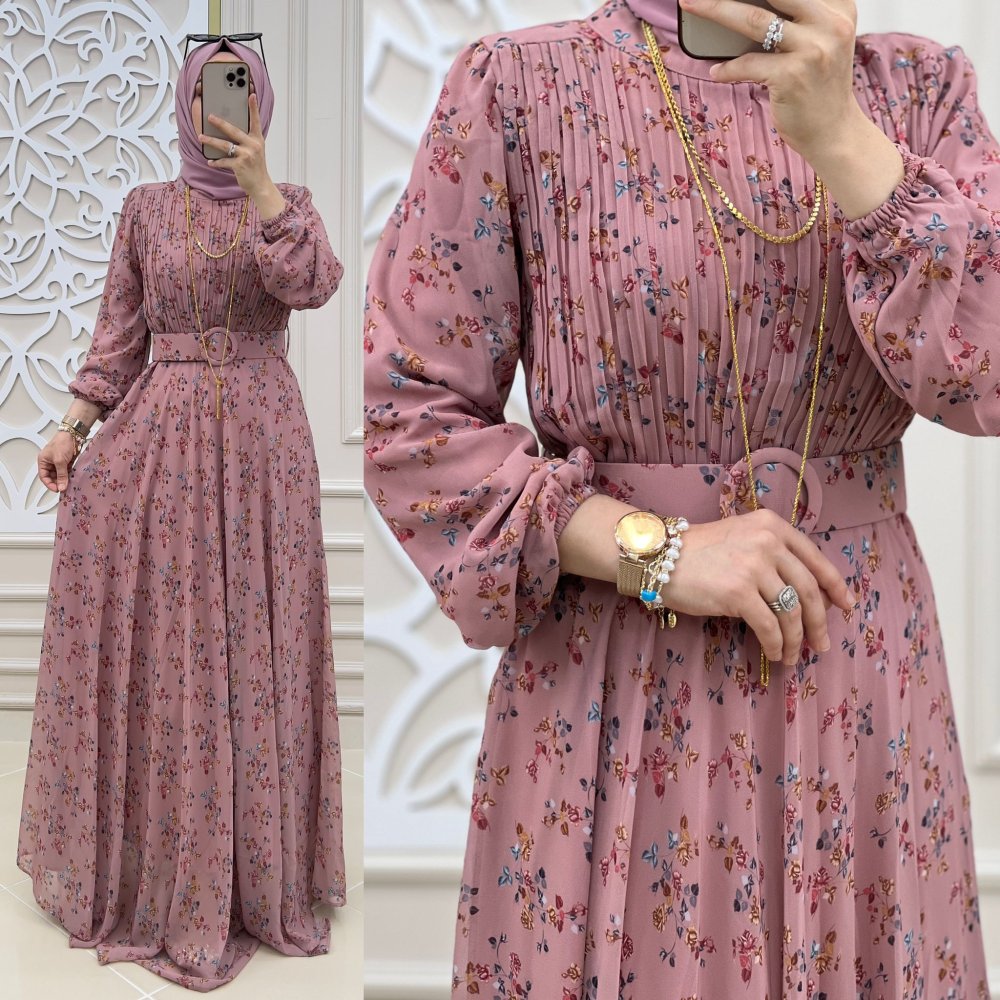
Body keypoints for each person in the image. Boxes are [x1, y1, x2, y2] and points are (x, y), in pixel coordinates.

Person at [363, 0, 995, 995]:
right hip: (618, 678)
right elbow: (412, 418)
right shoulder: (521, 89)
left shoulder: (917, 93)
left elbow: (987, 373)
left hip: (857, 683)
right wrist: (655, 551)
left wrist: (846, 143)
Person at [18, 35, 346, 991]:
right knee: (179, 645)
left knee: (252, 639)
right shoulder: (146, 209)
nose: (220, 110)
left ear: (261, 104)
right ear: (184, 104)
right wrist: (72, 428)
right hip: (162, 443)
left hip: (262, 452)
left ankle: (254, 874)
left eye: (236, 92)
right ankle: (163, 865)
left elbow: (313, 286)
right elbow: (118, 339)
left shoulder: (291, 207)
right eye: (207, 93)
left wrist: (262, 189)